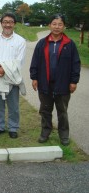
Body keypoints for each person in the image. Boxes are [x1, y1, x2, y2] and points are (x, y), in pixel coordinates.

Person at [30, 14, 81, 146]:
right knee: (45, 110)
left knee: (62, 111)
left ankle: (64, 135)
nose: (57, 27)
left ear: (64, 26)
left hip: (63, 85)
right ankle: (45, 133)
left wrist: (73, 81)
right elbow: (35, 61)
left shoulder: (69, 44)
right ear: (49, 25)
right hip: (44, 84)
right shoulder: (42, 43)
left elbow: (76, 64)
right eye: (54, 24)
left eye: (60, 24)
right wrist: (34, 78)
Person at [0, 13, 26, 139]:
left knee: (13, 103)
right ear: (1, 23)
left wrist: (4, 69)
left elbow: (19, 60)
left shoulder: (20, 41)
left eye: (10, 22)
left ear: (14, 24)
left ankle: (13, 128)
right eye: (5, 22)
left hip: (12, 76)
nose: (7, 24)